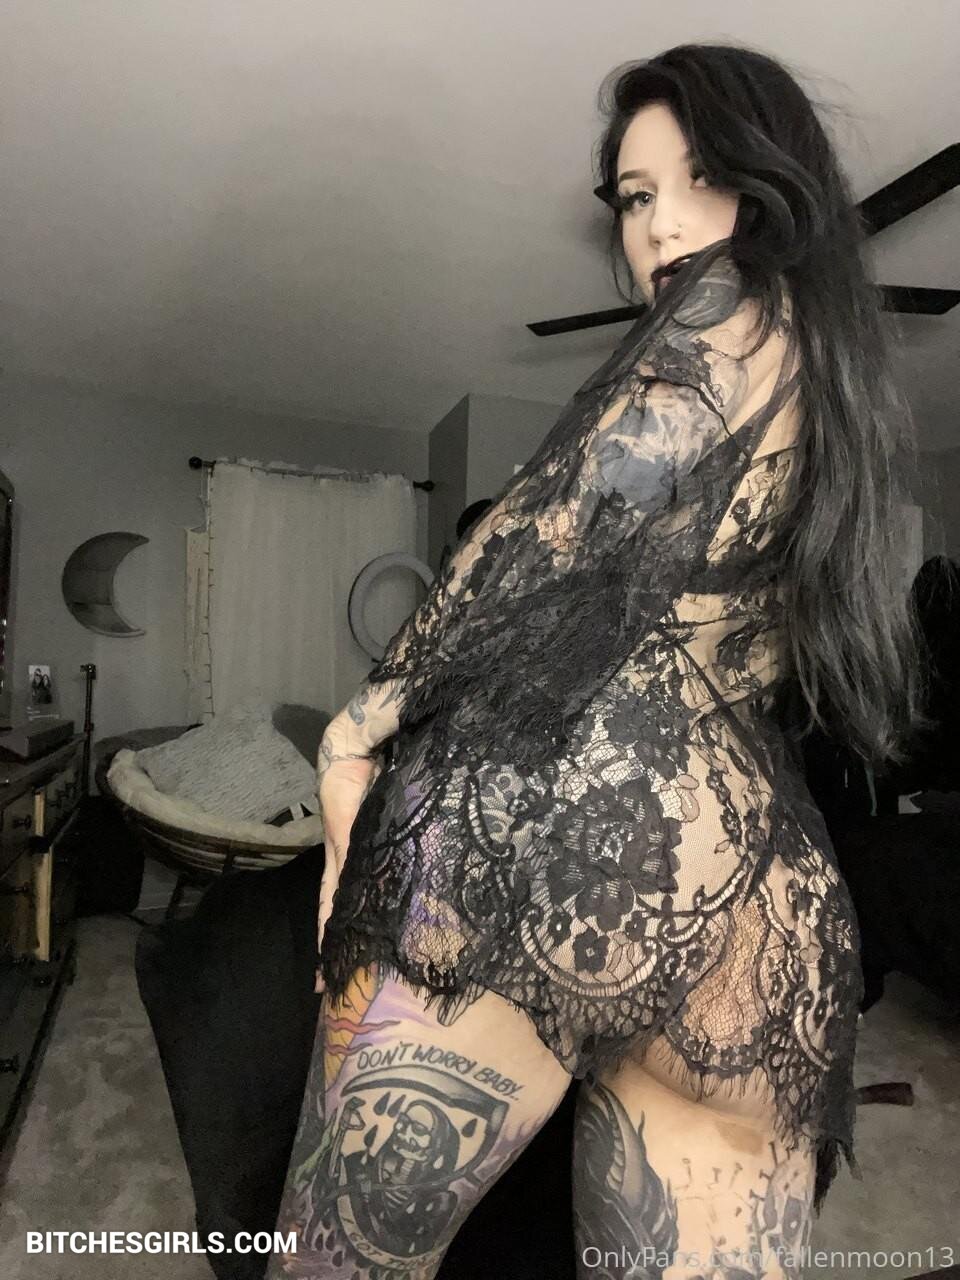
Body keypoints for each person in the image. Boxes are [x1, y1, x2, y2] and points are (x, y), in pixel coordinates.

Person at [266, 42, 929, 1280]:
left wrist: (355, 728)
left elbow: (559, 524)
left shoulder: (729, 308)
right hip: (765, 918)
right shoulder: (829, 385)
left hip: (568, 839)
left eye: (703, 176)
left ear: (772, 184)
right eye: (633, 196)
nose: (661, 224)